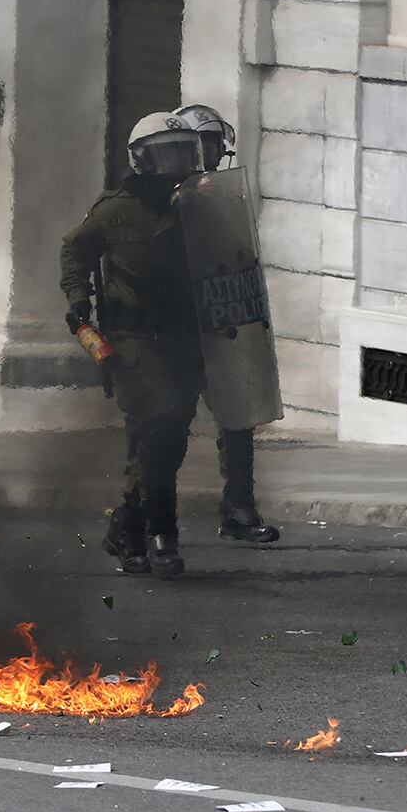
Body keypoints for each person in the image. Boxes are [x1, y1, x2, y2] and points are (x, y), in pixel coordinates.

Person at [60, 113, 209, 579]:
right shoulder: (117, 208)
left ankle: (127, 527)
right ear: (142, 160)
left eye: (185, 153)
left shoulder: (199, 204)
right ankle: (163, 534)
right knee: (161, 419)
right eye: (167, 154)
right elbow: (75, 252)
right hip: (134, 337)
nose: (177, 165)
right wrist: (79, 299)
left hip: (186, 336)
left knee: (164, 438)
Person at [172, 101, 279, 545]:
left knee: (238, 419)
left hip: (220, 325)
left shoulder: (221, 193)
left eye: (216, 146)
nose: (212, 156)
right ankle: (136, 522)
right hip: (176, 331)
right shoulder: (162, 195)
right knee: (166, 428)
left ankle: (239, 508)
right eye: (204, 146)